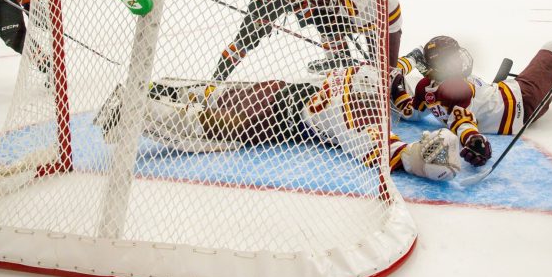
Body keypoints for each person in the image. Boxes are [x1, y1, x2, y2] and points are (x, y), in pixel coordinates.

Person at [95, 64, 464, 182]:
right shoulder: (362, 112)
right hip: (271, 116)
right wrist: (434, 154)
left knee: (210, 94)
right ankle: (134, 108)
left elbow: (405, 75)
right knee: (206, 131)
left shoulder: (363, 68)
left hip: (274, 90)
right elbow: (398, 154)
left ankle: (157, 89)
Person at [392, 35, 552, 166]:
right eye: (453, 58)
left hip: (514, 99)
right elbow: (463, 121)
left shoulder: (425, 87)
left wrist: (398, 90)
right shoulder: (453, 88)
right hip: (524, 97)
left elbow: (412, 112)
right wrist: (475, 141)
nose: (459, 60)